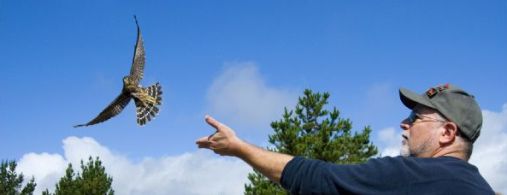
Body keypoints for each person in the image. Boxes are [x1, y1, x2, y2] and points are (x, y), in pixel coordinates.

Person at [196, 83, 494, 194]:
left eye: (416, 118)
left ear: (447, 133)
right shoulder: (480, 188)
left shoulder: (413, 175)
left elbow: (316, 179)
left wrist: (239, 148)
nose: (405, 124)